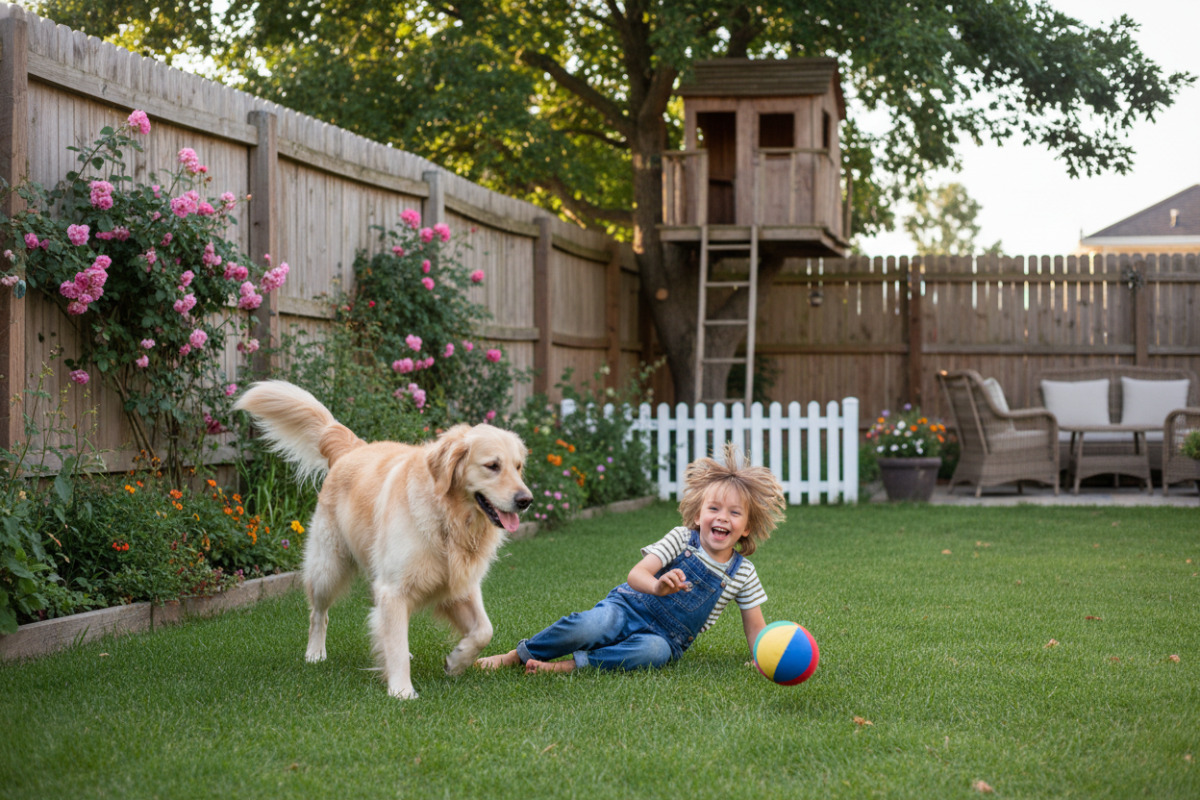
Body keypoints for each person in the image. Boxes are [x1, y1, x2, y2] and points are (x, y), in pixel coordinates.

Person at [476, 443, 787, 674]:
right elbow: (636, 576)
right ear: (698, 514)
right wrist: (657, 587)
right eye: (714, 509)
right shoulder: (681, 539)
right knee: (590, 626)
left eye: (734, 513)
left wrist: (762, 658)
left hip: (665, 637)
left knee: (651, 653)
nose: (722, 518)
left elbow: (755, 625)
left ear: (746, 527)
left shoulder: (742, 573)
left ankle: (569, 667)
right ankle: (518, 655)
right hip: (627, 607)